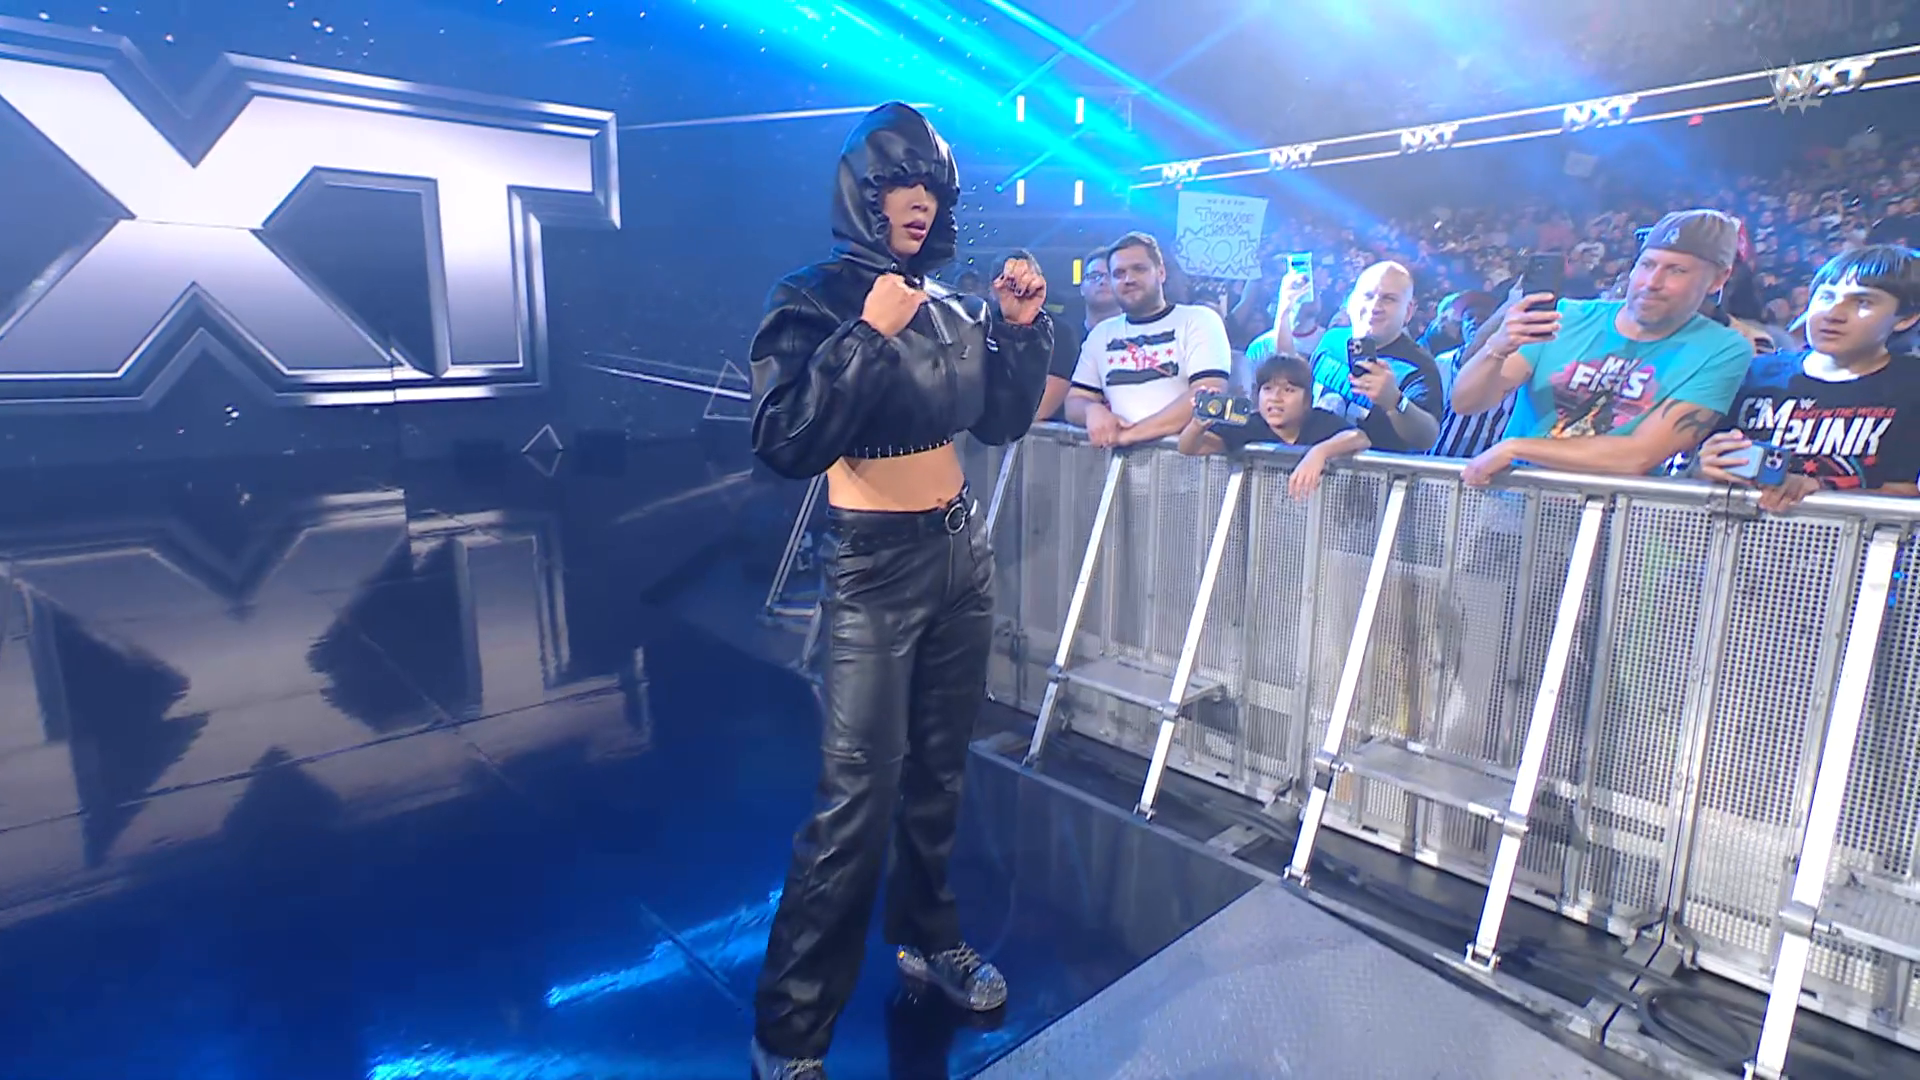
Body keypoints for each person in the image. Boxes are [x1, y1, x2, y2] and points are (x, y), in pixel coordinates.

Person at [745, 102, 1053, 1080]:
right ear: (862, 195)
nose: (917, 202)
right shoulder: (812, 298)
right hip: (872, 568)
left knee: (939, 773)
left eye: (931, 187)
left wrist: (1020, 330)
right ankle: (790, 1034)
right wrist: (867, 336)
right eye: (897, 185)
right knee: (855, 801)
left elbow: (998, 423)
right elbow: (786, 440)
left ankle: (928, 936)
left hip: (962, 555)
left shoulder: (951, 305)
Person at [1452, 209, 1754, 484]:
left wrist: (1516, 447)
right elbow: (1466, 403)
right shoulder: (1566, 316)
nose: (1652, 282)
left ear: (1718, 279)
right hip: (1512, 504)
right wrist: (1497, 348)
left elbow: (1638, 455)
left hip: (1615, 513)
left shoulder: (1724, 349)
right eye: (1647, 265)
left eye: (1677, 270)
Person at [1693, 244, 1920, 511]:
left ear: (1906, 318)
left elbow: (1905, 493)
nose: (1833, 314)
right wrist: (1706, 466)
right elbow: (1697, 471)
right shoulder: (1753, 374)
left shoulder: (1911, 386)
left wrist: (1819, 492)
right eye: (1826, 297)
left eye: (1863, 302)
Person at [1064, 231, 1231, 446]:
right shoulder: (1100, 334)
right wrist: (1091, 410)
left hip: (1187, 461)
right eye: (1119, 273)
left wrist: (1130, 436)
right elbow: (1074, 401)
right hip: (1118, 463)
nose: (1129, 279)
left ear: (1161, 273)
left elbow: (1208, 394)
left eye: (1139, 269)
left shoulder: (1199, 319)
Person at [1264, 261, 1442, 454]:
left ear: (1408, 311)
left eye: (1389, 299)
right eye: (1368, 296)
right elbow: (1291, 374)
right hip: (1308, 465)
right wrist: (1284, 311)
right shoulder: (1332, 340)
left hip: (1369, 472)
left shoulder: (1419, 367)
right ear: (1350, 301)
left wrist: (1394, 401)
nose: (1375, 306)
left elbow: (1427, 437)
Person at [1176, 353, 1371, 498]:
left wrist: (1319, 453)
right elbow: (1188, 447)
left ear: (1307, 400)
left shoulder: (1319, 420)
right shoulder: (1248, 424)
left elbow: (1360, 438)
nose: (1275, 398)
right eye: (1267, 389)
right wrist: (1197, 425)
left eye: (1288, 390)